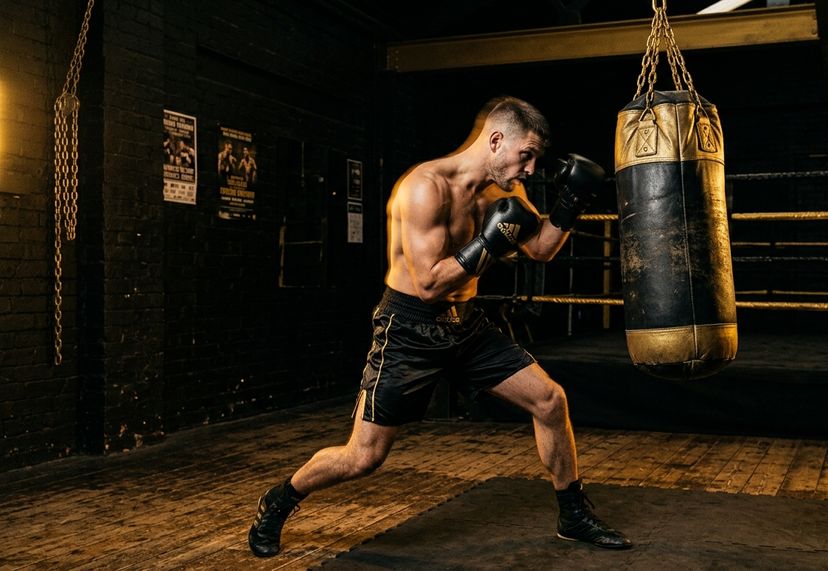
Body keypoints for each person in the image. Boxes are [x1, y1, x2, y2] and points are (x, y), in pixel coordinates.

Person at [247, 96, 632, 557]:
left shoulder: (505, 192)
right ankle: (281, 498)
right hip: (409, 327)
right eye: (525, 155)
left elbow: (542, 249)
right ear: (496, 140)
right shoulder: (424, 187)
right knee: (363, 457)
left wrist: (572, 201)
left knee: (550, 401)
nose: (529, 170)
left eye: (535, 160)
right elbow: (428, 284)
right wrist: (490, 241)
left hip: (466, 325)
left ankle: (573, 515)